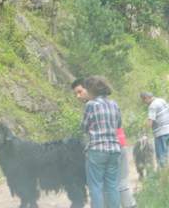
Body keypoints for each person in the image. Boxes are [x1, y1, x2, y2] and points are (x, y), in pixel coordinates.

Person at [72, 78, 136, 208]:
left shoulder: (90, 105)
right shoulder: (114, 104)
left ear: (92, 90)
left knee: (95, 187)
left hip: (97, 150)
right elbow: (118, 125)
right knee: (112, 186)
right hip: (114, 149)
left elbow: (84, 127)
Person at [140, 92, 169, 168]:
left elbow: (150, 122)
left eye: (144, 101)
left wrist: (144, 133)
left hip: (160, 133)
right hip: (168, 131)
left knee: (161, 155)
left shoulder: (152, 106)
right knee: (166, 153)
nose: (144, 103)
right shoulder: (161, 100)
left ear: (146, 98)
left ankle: (162, 174)